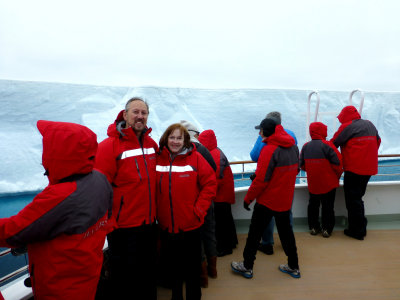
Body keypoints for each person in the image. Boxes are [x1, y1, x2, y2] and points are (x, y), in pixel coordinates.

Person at [0, 120, 113, 300]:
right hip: (88, 276)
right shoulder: (99, 179)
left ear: (56, 152)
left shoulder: (59, 196)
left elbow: (14, 231)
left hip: (60, 287)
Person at [95, 97, 159, 299]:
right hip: (122, 227)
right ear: (125, 115)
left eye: (144, 113)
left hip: (148, 223)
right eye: (136, 112)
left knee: (148, 272)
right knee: (124, 276)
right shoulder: (109, 146)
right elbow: (99, 189)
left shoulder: (151, 144)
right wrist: (108, 221)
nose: (140, 116)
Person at [231, 118, 301, 279]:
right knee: (287, 235)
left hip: (267, 201)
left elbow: (261, 180)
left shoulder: (269, 150)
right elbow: (294, 171)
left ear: (267, 132)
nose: (259, 133)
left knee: (254, 234)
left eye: (260, 130)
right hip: (285, 200)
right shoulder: (294, 148)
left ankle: (247, 266)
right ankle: (293, 266)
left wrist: (248, 198)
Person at [156, 123, 217, 300]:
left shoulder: (196, 158)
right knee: (174, 271)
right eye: (172, 137)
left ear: (185, 140)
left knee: (191, 272)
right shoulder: (158, 159)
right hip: (167, 227)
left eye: (179, 138)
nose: (175, 141)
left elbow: (210, 183)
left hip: (190, 226)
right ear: (166, 139)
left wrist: (198, 210)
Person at [249, 111, 297, 255]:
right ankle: (287, 243)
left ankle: (267, 243)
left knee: (266, 214)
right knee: (286, 212)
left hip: (269, 182)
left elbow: (254, 156)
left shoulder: (265, 137)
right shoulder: (291, 135)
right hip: (287, 181)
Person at [331, 105, 381, 240]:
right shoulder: (369, 124)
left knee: (353, 200)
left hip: (354, 168)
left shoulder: (346, 126)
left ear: (344, 116)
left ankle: (357, 231)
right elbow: (378, 141)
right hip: (369, 168)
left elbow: (333, 144)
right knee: (357, 197)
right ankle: (361, 226)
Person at [180, 120, 217, 288]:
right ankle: (212, 269)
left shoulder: (188, 151)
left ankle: (202, 276)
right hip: (207, 200)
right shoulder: (204, 149)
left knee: (196, 237)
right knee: (209, 233)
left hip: (193, 201)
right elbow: (213, 171)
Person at [198, 129, 238, 257]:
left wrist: (208, 195)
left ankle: (225, 248)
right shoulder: (216, 151)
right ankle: (232, 242)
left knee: (221, 222)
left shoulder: (214, 154)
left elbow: (216, 179)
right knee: (227, 220)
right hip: (225, 194)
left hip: (221, 195)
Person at [300, 122, 343, 237]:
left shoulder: (305, 146)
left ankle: (314, 227)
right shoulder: (328, 145)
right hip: (329, 183)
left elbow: (302, 165)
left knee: (313, 205)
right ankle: (327, 229)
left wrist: (313, 170)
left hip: (313, 182)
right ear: (322, 131)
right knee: (328, 206)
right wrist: (336, 176)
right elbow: (338, 164)